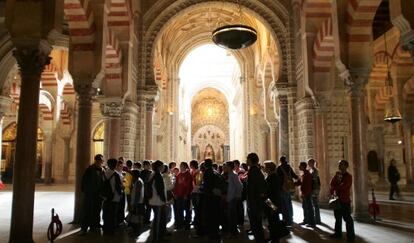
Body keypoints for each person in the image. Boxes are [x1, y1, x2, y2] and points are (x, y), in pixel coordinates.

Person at [330, 160, 355, 242]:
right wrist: (336, 185)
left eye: (341, 164)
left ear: (346, 166)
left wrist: (336, 187)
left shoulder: (348, 176)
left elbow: (344, 186)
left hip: (344, 200)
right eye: (339, 164)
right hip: (337, 199)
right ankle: (338, 233)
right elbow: (332, 184)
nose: (339, 165)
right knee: (337, 217)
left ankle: (350, 236)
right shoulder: (337, 175)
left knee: (347, 218)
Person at [80, 154, 105, 234]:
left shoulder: (102, 170)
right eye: (99, 161)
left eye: (101, 161)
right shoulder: (90, 169)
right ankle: (84, 228)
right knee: (88, 211)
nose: (101, 162)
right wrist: (86, 191)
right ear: (96, 161)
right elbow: (84, 181)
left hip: (98, 195)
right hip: (90, 194)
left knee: (97, 211)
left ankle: (94, 226)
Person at [264, 161, 287, 243]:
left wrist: (273, 207)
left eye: (265, 166)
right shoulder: (271, 176)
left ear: (269, 168)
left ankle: (275, 239)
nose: (264, 168)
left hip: (273, 203)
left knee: (274, 222)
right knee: (272, 221)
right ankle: (272, 237)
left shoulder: (273, 177)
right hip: (270, 203)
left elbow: (274, 194)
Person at [200, 159, 223, 240]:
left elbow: (207, 186)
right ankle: (215, 232)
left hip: (209, 197)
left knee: (210, 216)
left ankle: (212, 234)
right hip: (215, 197)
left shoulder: (207, 173)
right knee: (215, 215)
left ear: (205, 165)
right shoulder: (215, 172)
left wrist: (202, 189)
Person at [246, 153, 266, 243]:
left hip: (255, 203)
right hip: (255, 202)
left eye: (247, 159)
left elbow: (253, 188)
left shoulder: (254, 171)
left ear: (250, 160)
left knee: (256, 225)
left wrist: (252, 204)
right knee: (256, 225)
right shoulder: (256, 170)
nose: (246, 161)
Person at [102, 158, 123, 235]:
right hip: (114, 197)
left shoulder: (104, 173)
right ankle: (111, 230)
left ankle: (105, 229)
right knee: (113, 215)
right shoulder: (116, 174)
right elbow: (118, 187)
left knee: (106, 213)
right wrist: (120, 194)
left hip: (106, 197)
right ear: (115, 165)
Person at [148, 160, 167, 243]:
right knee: (158, 221)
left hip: (153, 200)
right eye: (162, 166)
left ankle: (158, 237)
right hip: (158, 201)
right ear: (159, 167)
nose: (163, 168)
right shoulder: (158, 175)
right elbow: (160, 190)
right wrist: (164, 200)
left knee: (157, 220)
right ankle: (156, 239)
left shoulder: (153, 174)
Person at [276, 155, 298, 226]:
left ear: (280, 160)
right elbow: (294, 175)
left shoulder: (279, 168)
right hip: (289, 187)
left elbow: (278, 179)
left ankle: (286, 219)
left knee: (284, 204)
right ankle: (290, 217)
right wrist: (299, 178)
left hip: (282, 188)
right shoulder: (288, 167)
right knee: (289, 203)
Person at [224, 161, 243, 238]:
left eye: (226, 166)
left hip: (232, 198)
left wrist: (237, 196)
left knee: (232, 216)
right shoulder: (229, 175)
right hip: (230, 197)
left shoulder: (233, 175)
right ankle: (233, 232)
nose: (224, 167)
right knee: (231, 216)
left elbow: (239, 186)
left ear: (229, 167)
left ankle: (233, 233)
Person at [173, 162, 193, 230]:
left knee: (187, 210)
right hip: (179, 195)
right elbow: (176, 185)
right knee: (179, 210)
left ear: (185, 167)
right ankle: (180, 224)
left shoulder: (188, 175)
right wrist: (175, 193)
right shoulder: (179, 174)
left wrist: (186, 194)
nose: (180, 167)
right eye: (180, 166)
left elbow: (189, 186)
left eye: (182, 166)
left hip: (185, 195)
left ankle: (187, 224)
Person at [297, 162, 315, 227]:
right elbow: (300, 182)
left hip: (307, 193)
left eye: (300, 166)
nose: (299, 167)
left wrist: (304, 193)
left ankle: (312, 223)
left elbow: (307, 185)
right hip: (305, 193)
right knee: (305, 207)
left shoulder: (307, 174)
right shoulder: (304, 174)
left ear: (303, 166)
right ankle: (306, 220)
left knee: (309, 208)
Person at [308, 158, 321, 224]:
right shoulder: (311, 170)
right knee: (314, 203)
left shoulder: (315, 170)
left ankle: (317, 219)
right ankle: (315, 218)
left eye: (309, 163)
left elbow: (314, 179)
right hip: (313, 188)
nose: (308, 164)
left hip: (315, 189)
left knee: (315, 204)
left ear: (312, 163)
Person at [141, 160, 153, 224]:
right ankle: (143, 219)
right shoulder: (141, 173)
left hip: (149, 192)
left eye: (149, 165)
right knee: (143, 207)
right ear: (144, 166)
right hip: (143, 192)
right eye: (146, 165)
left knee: (149, 207)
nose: (148, 166)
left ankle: (147, 219)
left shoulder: (151, 172)